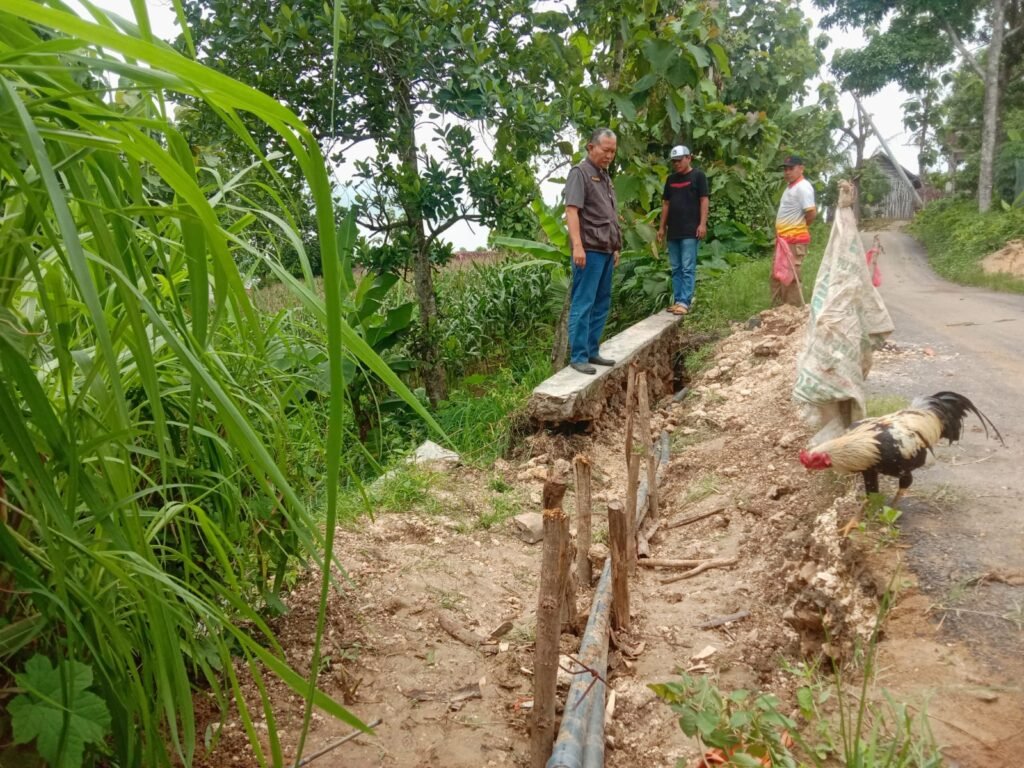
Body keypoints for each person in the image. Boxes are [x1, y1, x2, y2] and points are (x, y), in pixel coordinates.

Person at [564, 128, 622, 375]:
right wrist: (577, 245)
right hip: (589, 250)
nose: (609, 155)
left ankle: (591, 351)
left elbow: (609, 215)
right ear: (591, 147)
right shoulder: (580, 173)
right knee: (583, 302)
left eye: (613, 151)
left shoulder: (604, 176)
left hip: (606, 249)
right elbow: (572, 210)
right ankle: (578, 356)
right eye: (605, 150)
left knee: (601, 302)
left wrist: (616, 246)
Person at [656, 145, 709, 315]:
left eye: (679, 160)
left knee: (687, 267)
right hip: (674, 231)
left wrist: (702, 224)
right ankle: (678, 299)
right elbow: (666, 204)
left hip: (690, 230)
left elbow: (704, 200)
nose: (676, 164)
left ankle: (685, 301)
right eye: (674, 162)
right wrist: (661, 227)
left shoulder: (698, 176)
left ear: (689, 158)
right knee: (676, 267)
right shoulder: (671, 179)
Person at [772, 154, 817, 306]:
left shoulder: (803, 187)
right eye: (785, 169)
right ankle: (777, 311)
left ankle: (792, 313)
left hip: (794, 240)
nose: (787, 172)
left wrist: (798, 228)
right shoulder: (791, 187)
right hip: (784, 240)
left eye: (791, 168)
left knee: (791, 278)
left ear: (801, 168)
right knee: (778, 275)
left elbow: (811, 213)